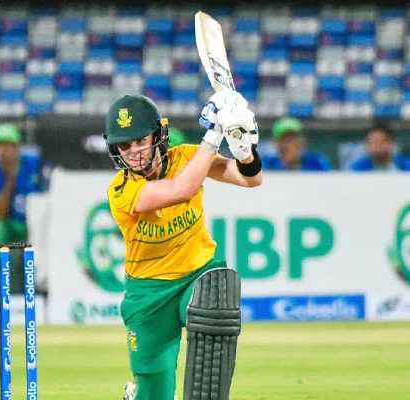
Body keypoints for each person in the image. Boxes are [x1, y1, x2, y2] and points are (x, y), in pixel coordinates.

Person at [103, 92, 262, 400]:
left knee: (213, 304)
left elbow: (251, 179)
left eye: (140, 140)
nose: (134, 152)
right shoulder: (121, 190)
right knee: (155, 393)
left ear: (158, 135)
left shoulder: (186, 158)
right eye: (125, 146)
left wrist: (244, 151)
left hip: (198, 276)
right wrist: (214, 134)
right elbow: (181, 189)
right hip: (148, 293)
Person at [0, 123, 43, 292]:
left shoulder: (35, 165)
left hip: (36, 224)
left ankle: (45, 287)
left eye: (8, 146)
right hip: (12, 226)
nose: (3, 151)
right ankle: (6, 288)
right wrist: (10, 179)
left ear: (17, 147)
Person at [261, 117, 332, 171]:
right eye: (284, 138)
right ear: (276, 142)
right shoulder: (266, 163)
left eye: (293, 138)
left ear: (302, 140)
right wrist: (286, 164)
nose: (289, 143)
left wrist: (296, 163)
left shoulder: (316, 162)